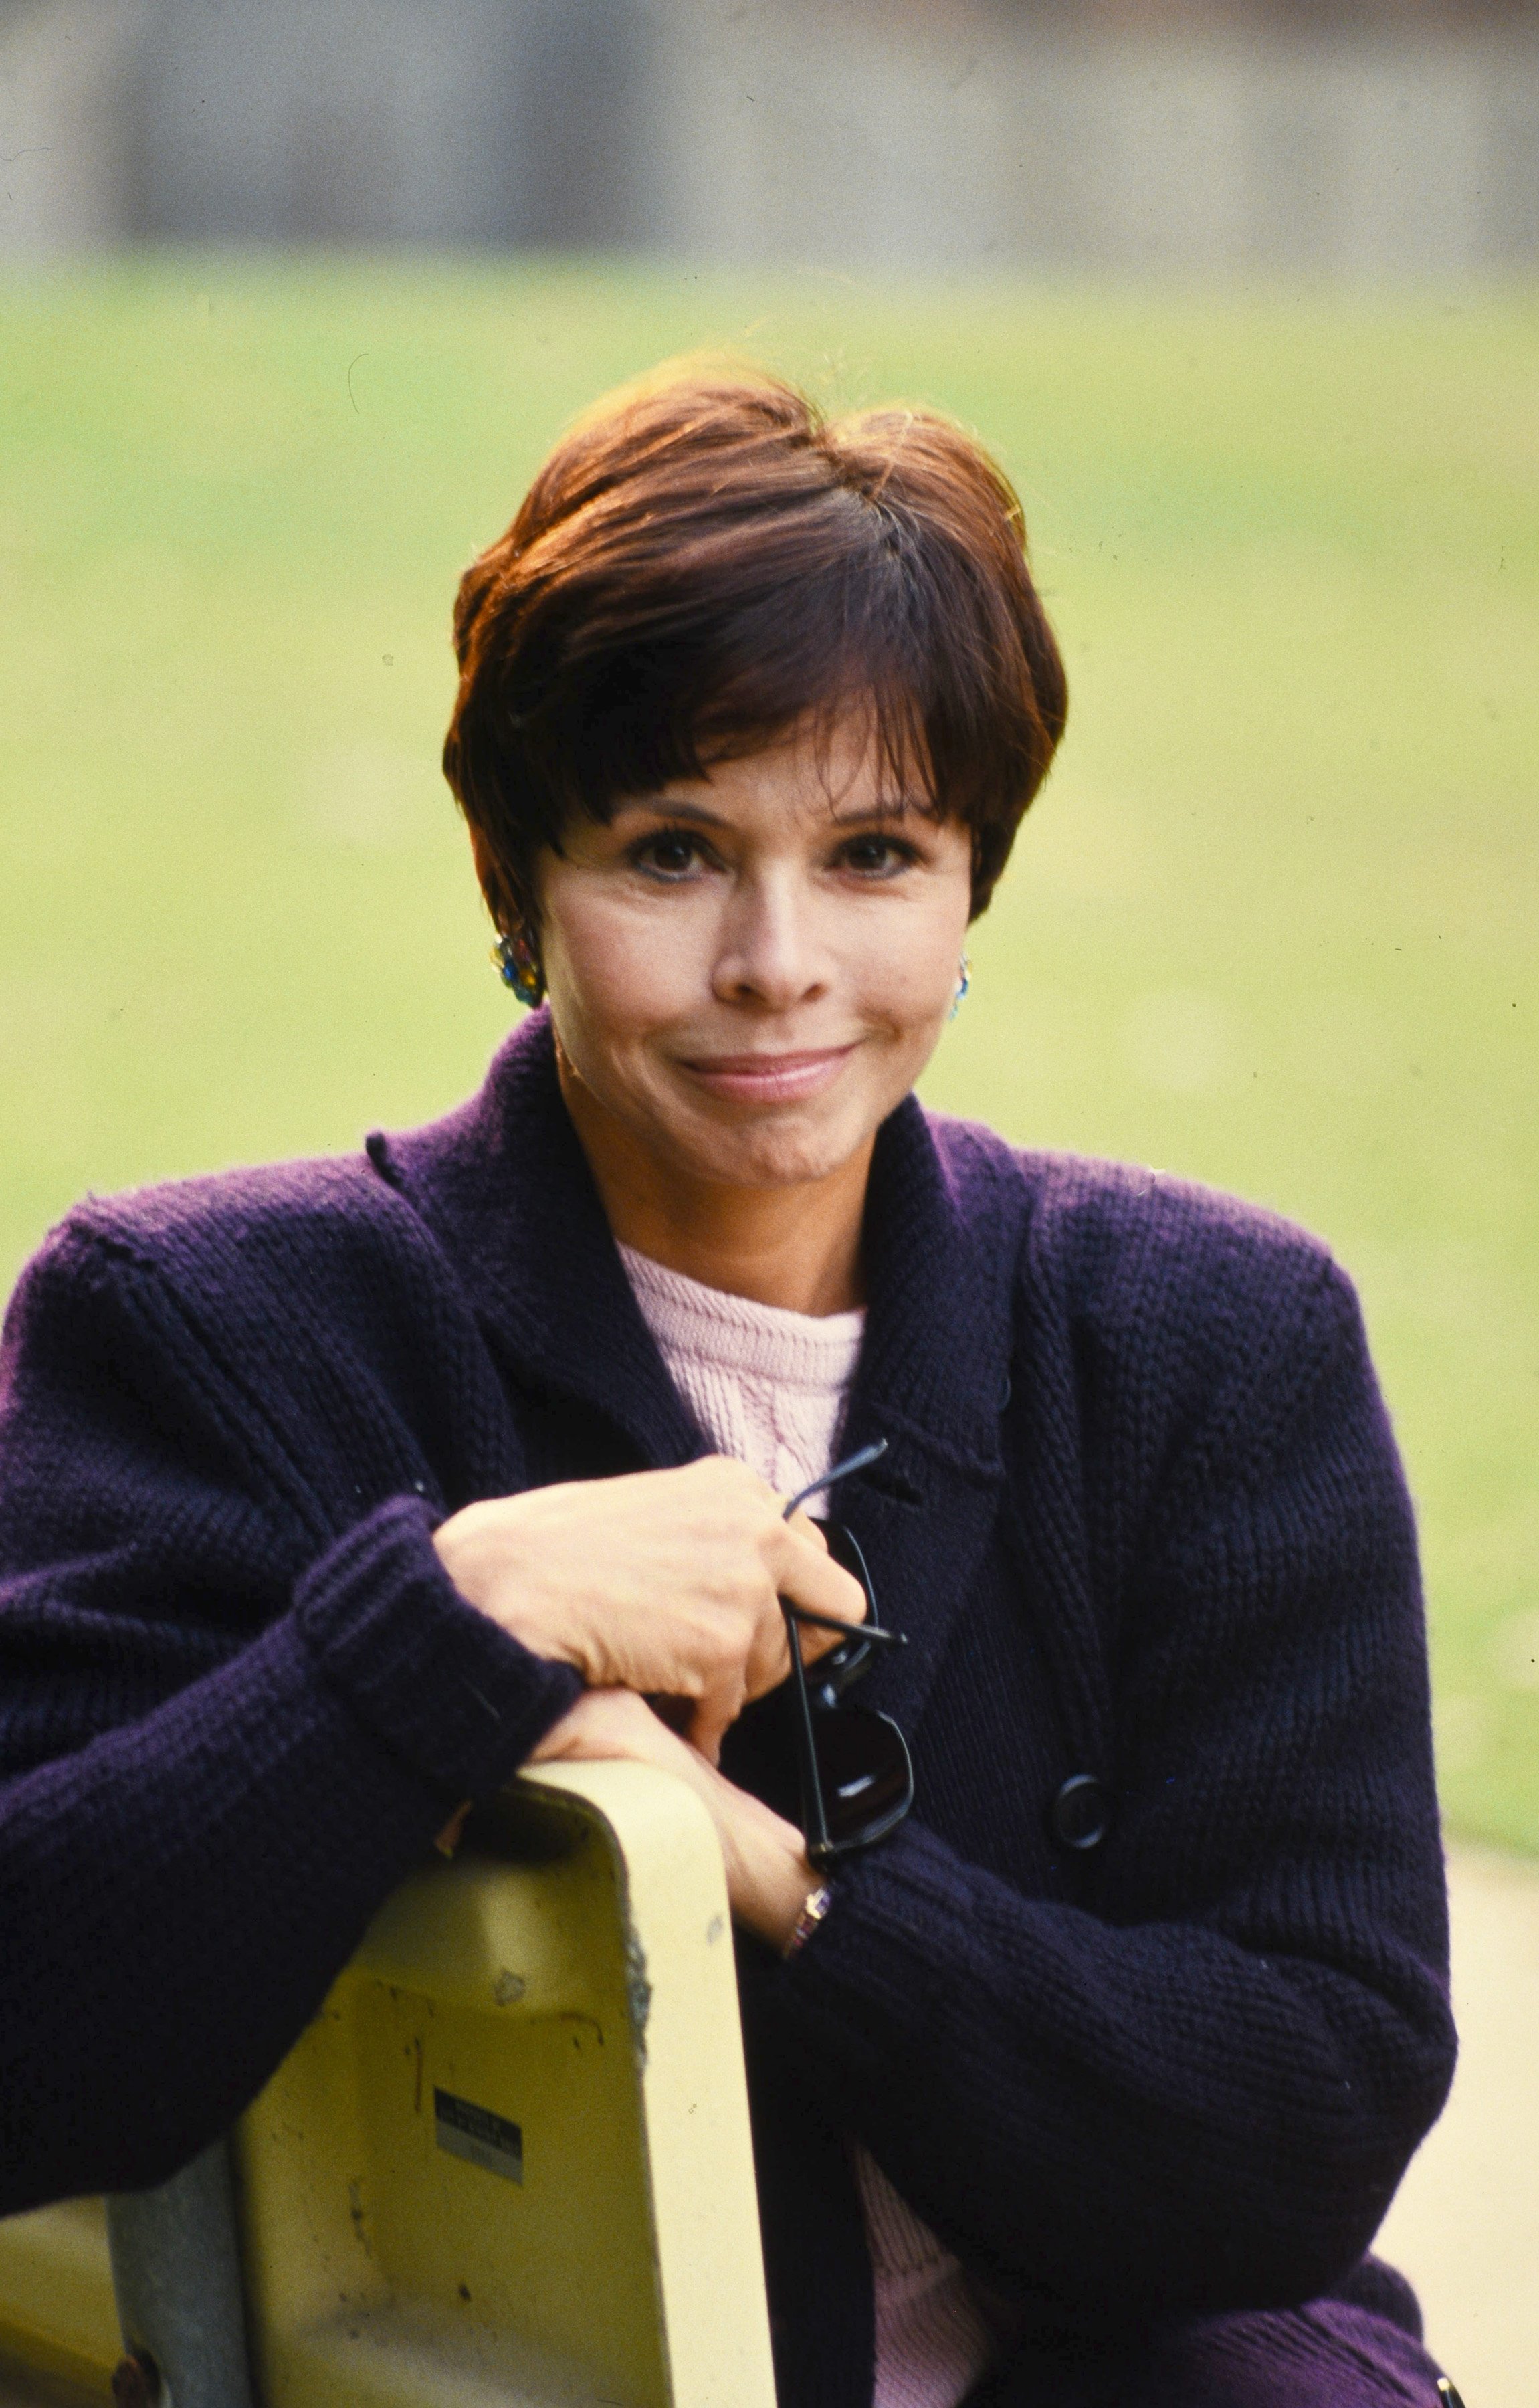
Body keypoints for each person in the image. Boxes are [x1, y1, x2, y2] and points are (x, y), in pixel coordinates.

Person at [0, 367, 1457, 2408]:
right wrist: (444, 1628)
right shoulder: (212, 1327)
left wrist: (754, 1867)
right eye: (672, 852)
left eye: (872, 854)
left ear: (972, 887)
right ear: (514, 879)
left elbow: (1291, 2139)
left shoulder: (1211, 1342)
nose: (778, 962)